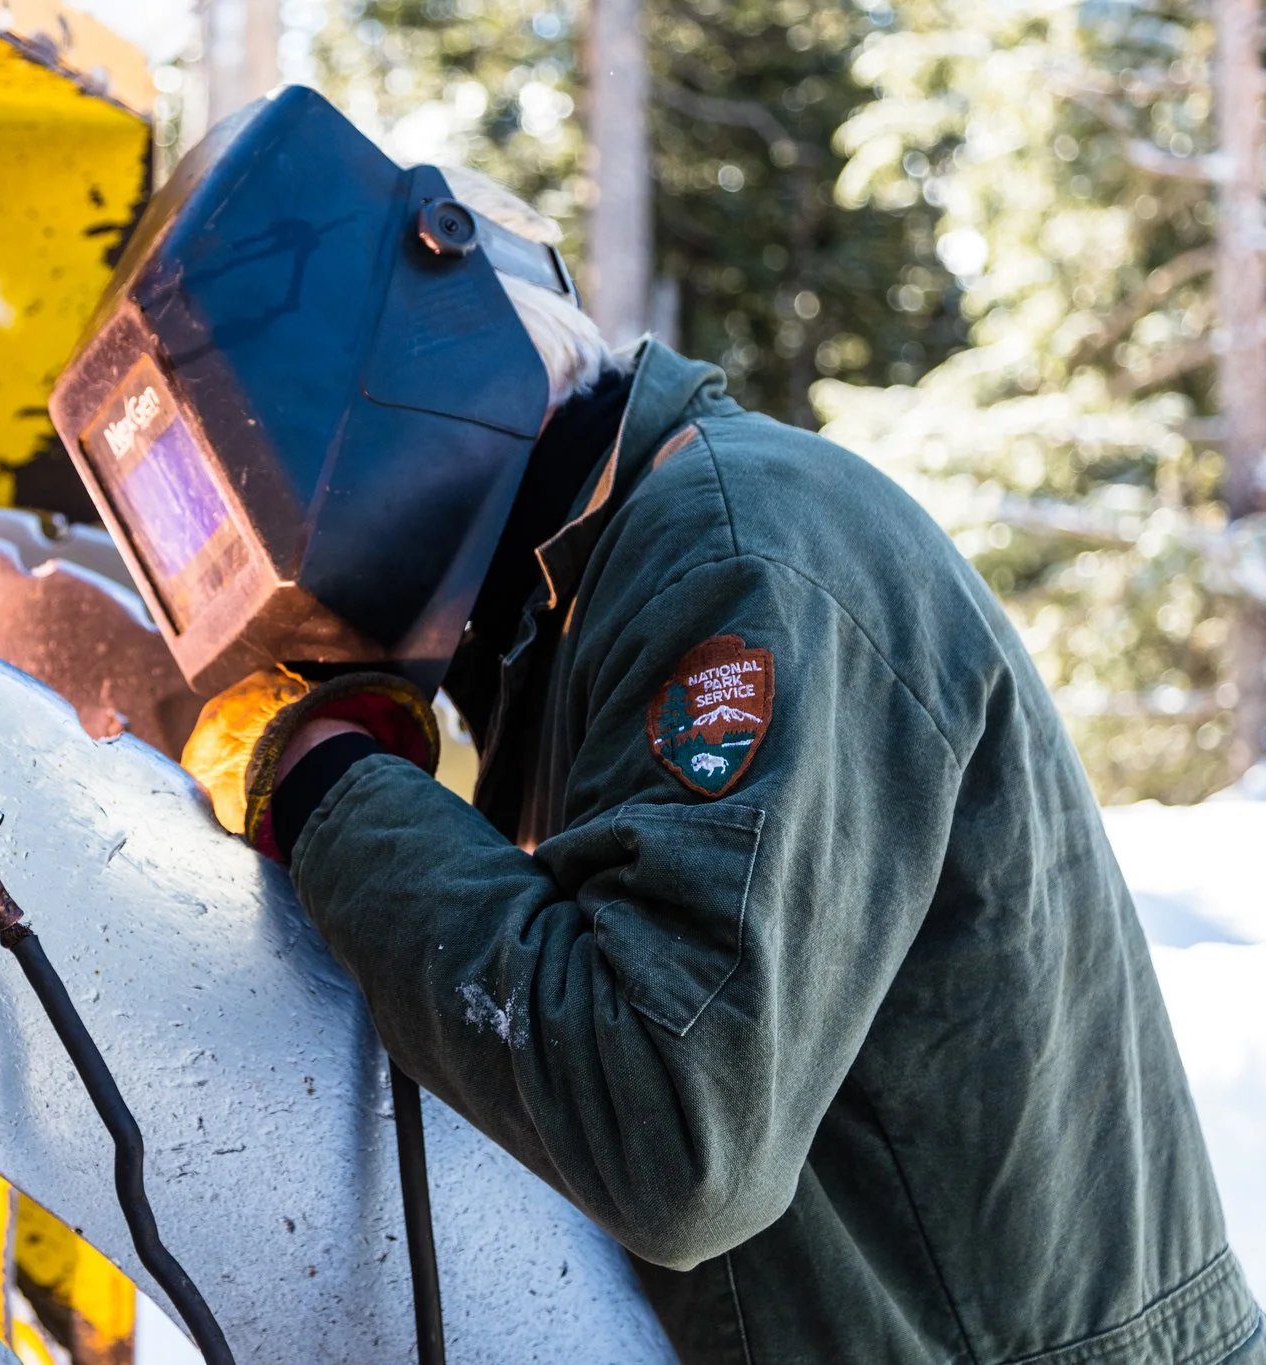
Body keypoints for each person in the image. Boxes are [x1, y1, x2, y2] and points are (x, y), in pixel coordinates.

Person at [179, 167, 1264, 1362]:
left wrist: (331, 785)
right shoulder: (568, 608)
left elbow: (670, 1135)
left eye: (264, 489)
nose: (287, 566)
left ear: (391, 386)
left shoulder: (741, 554)